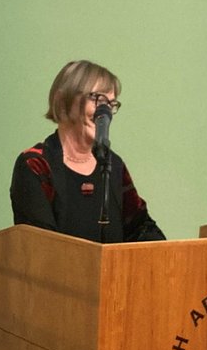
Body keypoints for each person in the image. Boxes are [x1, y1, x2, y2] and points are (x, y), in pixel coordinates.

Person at [10, 58, 165, 243]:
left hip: (114, 272)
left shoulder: (113, 165)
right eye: (97, 99)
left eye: (110, 104)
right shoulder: (36, 164)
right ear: (62, 100)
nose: (104, 112)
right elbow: (41, 246)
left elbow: (140, 227)